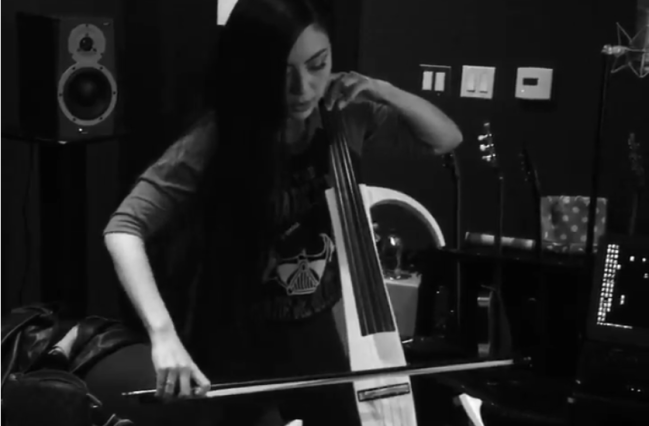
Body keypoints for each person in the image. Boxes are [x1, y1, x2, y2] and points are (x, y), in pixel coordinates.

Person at [97, 0, 463, 424]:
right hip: (236, 337)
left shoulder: (344, 117)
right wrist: (163, 336)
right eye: (280, 72)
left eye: (318, 64)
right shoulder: (217, 138)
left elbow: (445, 138)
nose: (303, 88)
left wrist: (381, 88)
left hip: (317, 330)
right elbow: (123, 228)